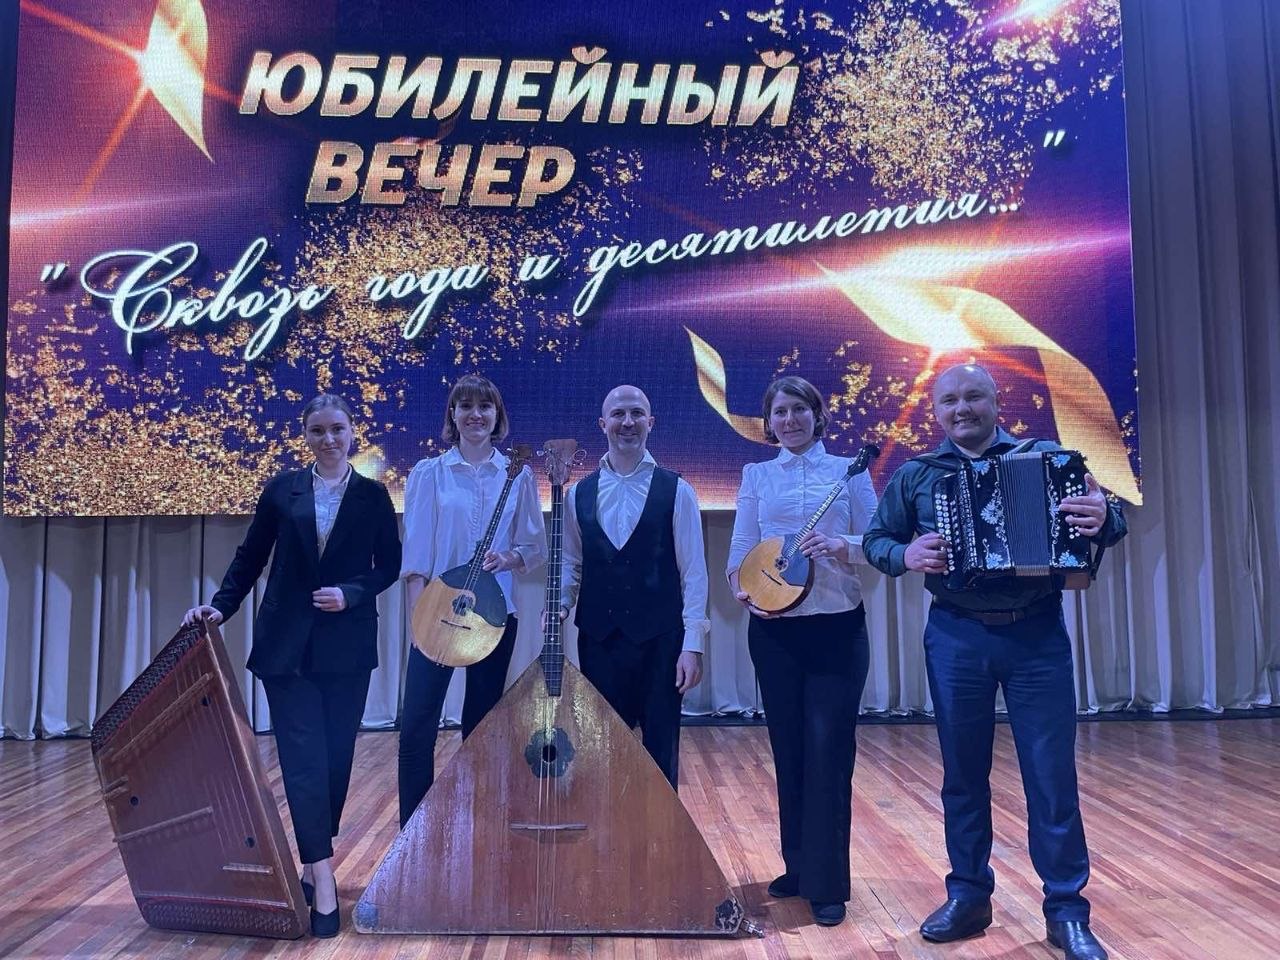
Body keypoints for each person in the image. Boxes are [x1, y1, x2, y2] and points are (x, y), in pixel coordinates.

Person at [863, 363, 1125, 960]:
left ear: (995, 400)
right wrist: (906, 554)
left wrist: (1105, 518)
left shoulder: (1049, 458)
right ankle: (968, 895)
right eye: (949, 400)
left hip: (1037, 635)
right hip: (956, 635)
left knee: (1051, 777)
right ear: (936, 411)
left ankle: (1067, 910)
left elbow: (1107, 523)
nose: (962, 409)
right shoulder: (916, 474)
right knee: (962, 774)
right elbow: (878, 541)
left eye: (973, 397)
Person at [183, 393, 401, 938]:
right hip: (287, 648)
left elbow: (389, 566)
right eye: (318, 430)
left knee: (335, 760)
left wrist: (351, 593)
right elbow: (250, 557)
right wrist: (221, 606)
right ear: (305, 435)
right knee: (303, 759)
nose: (329, 439)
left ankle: (310, 859)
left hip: (347, 647)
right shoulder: (282, 489)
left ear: (352, 433)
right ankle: (323, 876)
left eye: (337, 429)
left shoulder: (374, 495)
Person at [725, 375, 878, 928]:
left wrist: (842, 546)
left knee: (828, 752)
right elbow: (742, 546)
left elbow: (878, 543)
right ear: (769, 422)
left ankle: (827, 882)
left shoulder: (849, 471)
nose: (789, 420)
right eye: (780, 412)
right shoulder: (757, 475)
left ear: (817, 414)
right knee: (788, 751)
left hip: (836, 628)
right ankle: (799, 867)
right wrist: (742, 588)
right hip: (774, 632)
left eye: (799, 409)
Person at [397, 374, 546, 827]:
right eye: (465, 406)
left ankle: (477, 823)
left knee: (481, 726)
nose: (475, 415)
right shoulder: (430, 473)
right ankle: (414, 829)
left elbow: (534, 546)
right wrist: (418, 622)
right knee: (417, 725)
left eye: (485, 406)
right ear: (453, 414)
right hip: (437, 612)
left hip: (494, 614)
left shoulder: (517, 475)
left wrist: (510, 557)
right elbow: (416, 555)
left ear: (497, 415)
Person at [556, 384, 707, 789]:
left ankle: (660, 828)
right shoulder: (577, 494)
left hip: (662, 643)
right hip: (599, 641)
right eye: (619, 414)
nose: (628, 422)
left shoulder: (678, 490)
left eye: (637, 414)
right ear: (602, 423)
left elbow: (694, 573)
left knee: (661, 753)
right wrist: (560, 604)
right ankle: (608, 828)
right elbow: (571, 563)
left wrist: (693, 644)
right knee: (602, 752)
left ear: (650, 422)